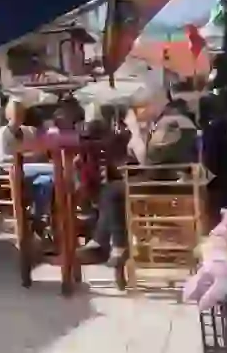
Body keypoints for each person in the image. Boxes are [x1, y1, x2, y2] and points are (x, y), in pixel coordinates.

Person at [79, 98, 200, 265]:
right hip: (184, 185)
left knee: (112, 191)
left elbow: (152, 157)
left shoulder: (169, 125)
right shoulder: (192, 129)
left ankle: (113, 243)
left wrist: (138, 138)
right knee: (117, 192)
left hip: (159, 185)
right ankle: (108, 242)